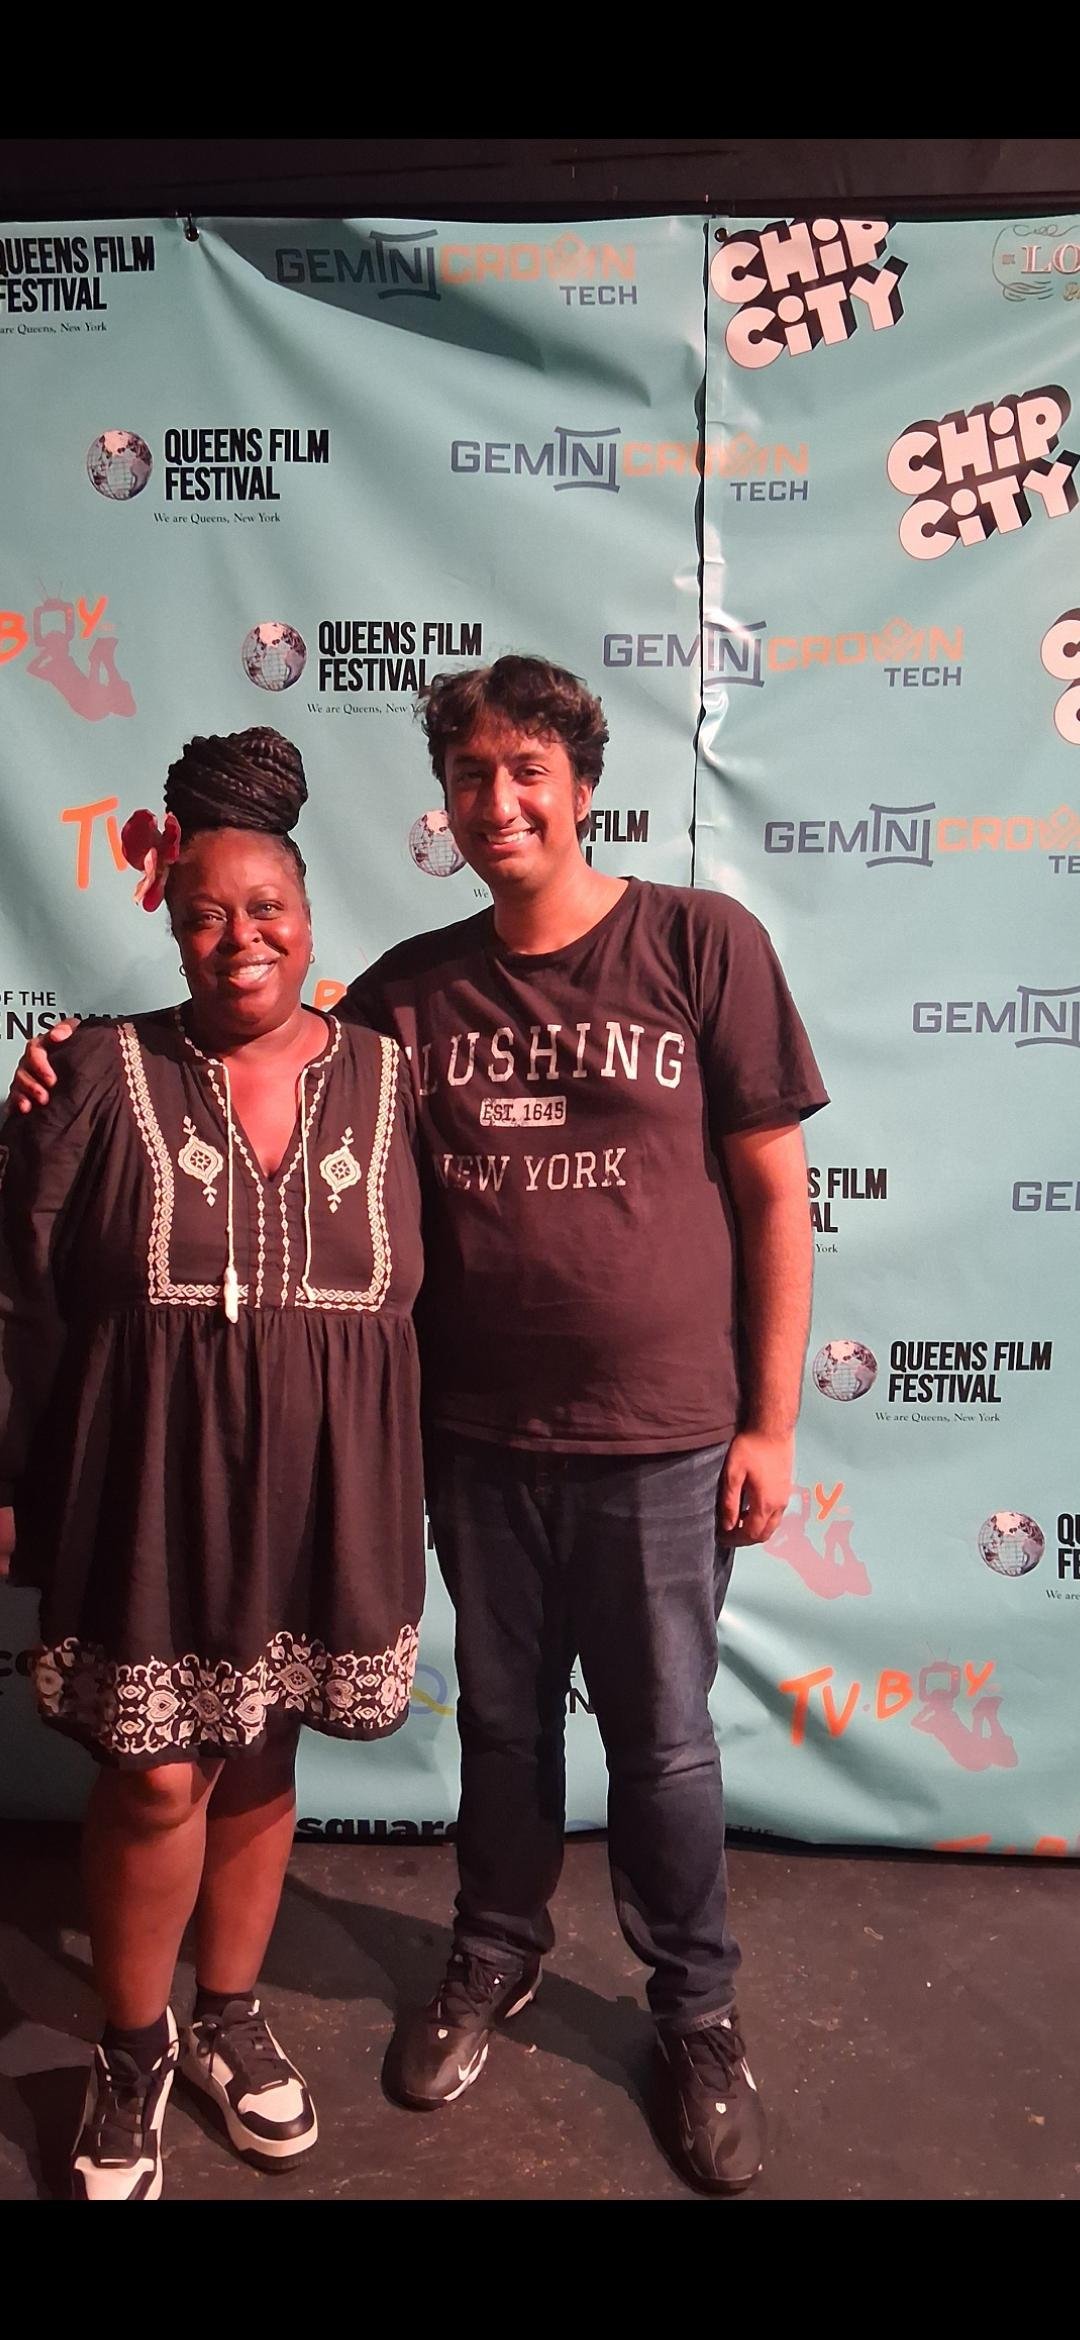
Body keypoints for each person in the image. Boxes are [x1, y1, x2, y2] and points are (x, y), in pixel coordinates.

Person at [14, 656, 827, 2198]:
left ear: (584, 784)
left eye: (528, 771)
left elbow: (778, 1192)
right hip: (471, 1441)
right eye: (470, 778)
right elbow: (229, 1039)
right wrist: (60, 1052)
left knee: (661, 1748)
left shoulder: (701, 944)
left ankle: (697, 2016)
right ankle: (490, 1959)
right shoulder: (404, 1000)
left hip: (661, 1437)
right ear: (441, 808)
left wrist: (773, 1422)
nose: (499, 801)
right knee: (504, 1737)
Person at [0, 726, 425, 2201]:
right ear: (169, 920)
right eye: (204, 916)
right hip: (151, 1489)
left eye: (267, 915)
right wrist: (9, 1480)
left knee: (261, 1757)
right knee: (156, 1777)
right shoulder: (97, 1075)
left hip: (328, 1486)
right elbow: (24, 1296)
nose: (235, 941)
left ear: (312, 923)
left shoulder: (388, 1077)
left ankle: (234, 2017)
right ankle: (133, 2047)